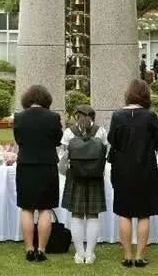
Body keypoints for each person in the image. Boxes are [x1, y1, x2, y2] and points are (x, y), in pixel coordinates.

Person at [108, 79, 158, 268]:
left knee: (124, 213)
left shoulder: (117, 116)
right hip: (146, 169)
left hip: (122, 169)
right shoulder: (150, 117)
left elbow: (112, 141)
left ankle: (127, 255)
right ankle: (140, 255)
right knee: (143, 214)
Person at [14, 85, 63, 263]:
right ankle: (41, 249)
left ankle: (29, 248)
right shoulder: (53, 117)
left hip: (25, 165)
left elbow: (18, 139)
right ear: (46, 100)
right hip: (47, 165)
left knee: (26, 208)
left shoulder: (19, 117)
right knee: (45, 208)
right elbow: (58, 140)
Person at [59, 105, 108, 264]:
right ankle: (90, 254)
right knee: (93, 214)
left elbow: (64, 157)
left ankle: (80, 254)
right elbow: (104, 153)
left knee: (77, 215)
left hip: (75, 177)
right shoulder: (100, 132)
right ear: (93, 116)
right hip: (95, 177)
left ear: (76, 116)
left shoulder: (69, 132)